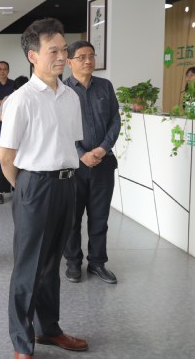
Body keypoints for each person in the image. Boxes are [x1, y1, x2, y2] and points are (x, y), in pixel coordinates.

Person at [0, 19, 87, 358]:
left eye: (64, 50)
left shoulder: (70, 96)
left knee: (51, 264)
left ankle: (49, 329)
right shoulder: (21, 99)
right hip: (35, 186)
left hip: (67, 185)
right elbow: (6, 157)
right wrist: (25, 189)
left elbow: (70, 143)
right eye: (54, 51)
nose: (62, 56)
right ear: (33, 56)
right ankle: (22, 344)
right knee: (29, 267)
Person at [63, 41, 121, 284]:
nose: (88, 61)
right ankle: (73, 262)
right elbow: (60, 128)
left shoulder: (105, 86)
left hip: (103, 163)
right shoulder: (62, 90)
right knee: (72, 218)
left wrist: (102, 148)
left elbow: (115, 120)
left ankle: (97, 263)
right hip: (73, 166)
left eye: (91, 56)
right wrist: (81, 153)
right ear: (69, 62)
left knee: (100, 217)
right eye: (82, 57)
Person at [0, 75, 29, 204]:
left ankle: (17, 189)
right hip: (11, 134)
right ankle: (1, 191)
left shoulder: (29, 98)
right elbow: (0, 117)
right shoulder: (8, 99)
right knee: (7, 161)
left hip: (23, 136)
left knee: (19, 162)